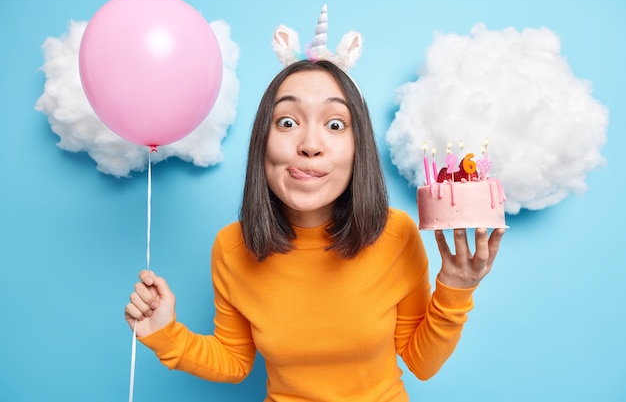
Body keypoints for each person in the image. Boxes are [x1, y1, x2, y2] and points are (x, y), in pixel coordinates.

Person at [125, 58, 504, 401]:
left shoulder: (395, 233)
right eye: (287, 122)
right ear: (262, 141)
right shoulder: (232, 247)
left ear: (358, 149)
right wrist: (165, 334)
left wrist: (456, 289)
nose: (309, 145)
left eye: (335, 124)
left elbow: (422, 363)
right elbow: (234, 360)